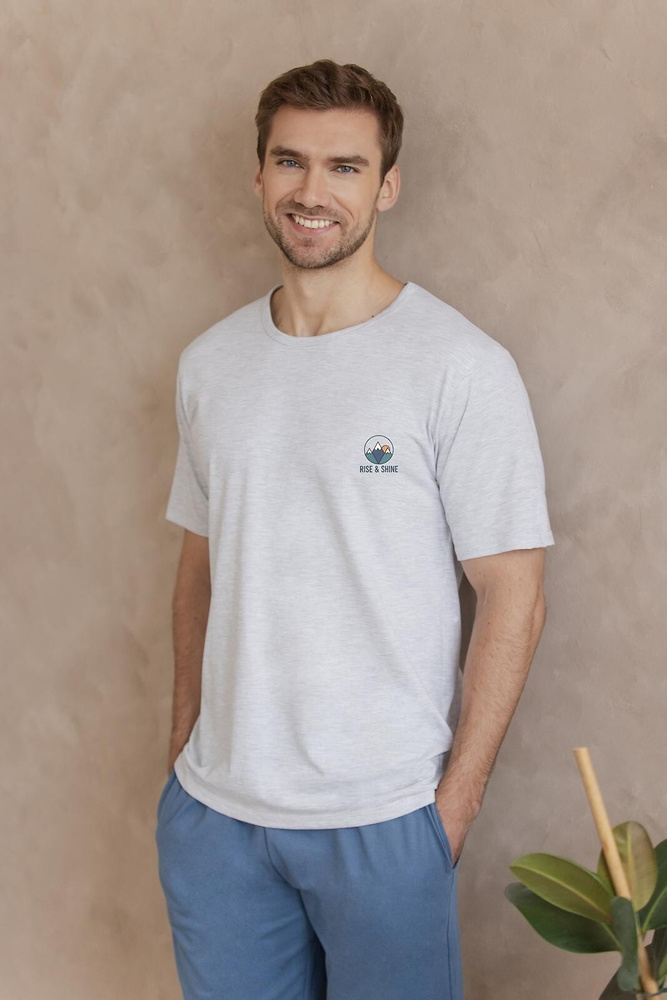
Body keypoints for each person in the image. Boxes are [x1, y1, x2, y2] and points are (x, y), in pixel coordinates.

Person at [155, 58, 555, 1000]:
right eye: (289, 161)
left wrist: (450, 809)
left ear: (387, 186)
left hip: (383, 821)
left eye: (344, 167)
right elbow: (199, 567)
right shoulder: (211, 364)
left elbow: (514, 594)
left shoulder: (457, 365)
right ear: (259, 175)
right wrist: (180, 756)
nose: (312, 191)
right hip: (216, 822)